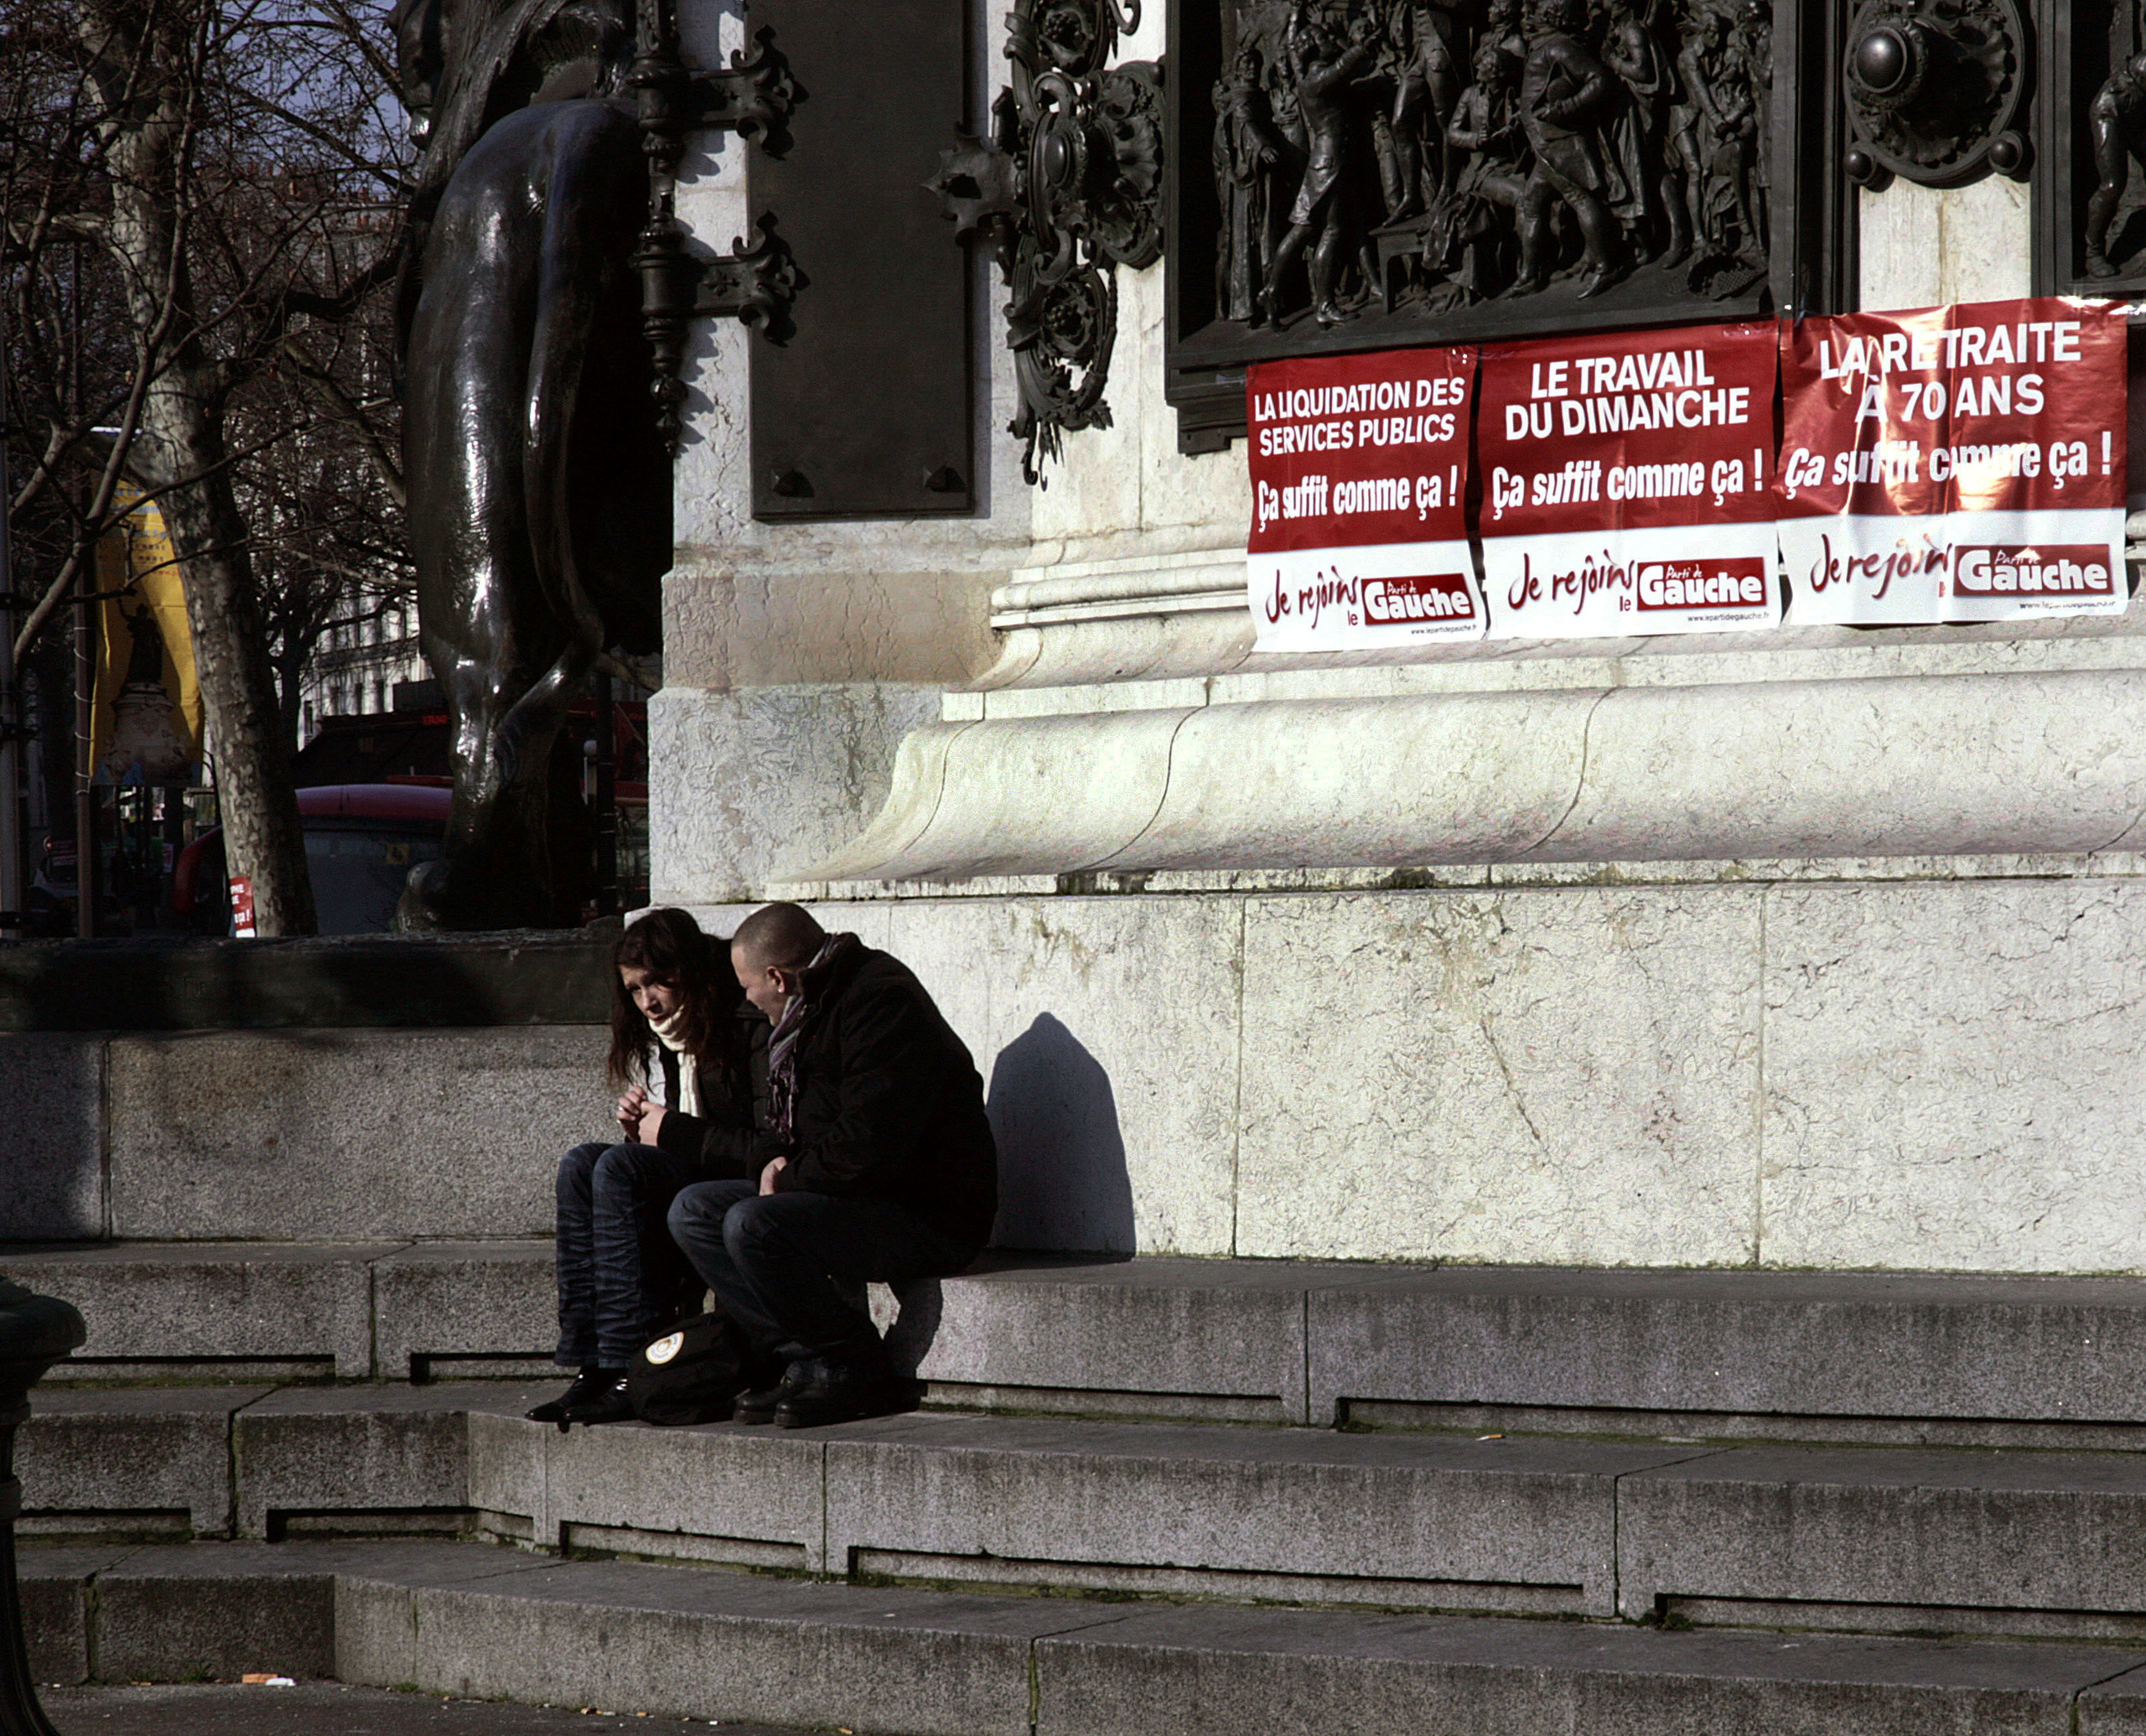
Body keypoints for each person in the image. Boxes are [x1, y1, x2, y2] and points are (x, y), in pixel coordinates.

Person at [666, 902, 998, 1429]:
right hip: (857, 1196)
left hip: (927, 1215)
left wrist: (786, 1178)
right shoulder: (810, 1009)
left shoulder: (879, 1001)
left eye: (748, 986)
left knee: (753, 1223)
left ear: (776, 977)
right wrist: (774, 1160)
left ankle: (855, 1368)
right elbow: (802, 1127)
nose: (747, 999)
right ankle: (804, 1358)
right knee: (694, 1211)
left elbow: (868, 1147)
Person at [527, 908, 760, 1426]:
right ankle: (593, 1363)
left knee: (620, 1168)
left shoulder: (744, 1022)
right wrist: (644, 1131)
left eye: (659, 983)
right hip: (695, 1167)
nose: (648, 1002)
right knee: (582, 1164)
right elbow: (673, 1139)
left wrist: (668, 1133)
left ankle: (627, 1363)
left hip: (737, 1181)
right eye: (635, 990)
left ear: (691, 973)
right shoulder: (658, 1037)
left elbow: (764, 1143)